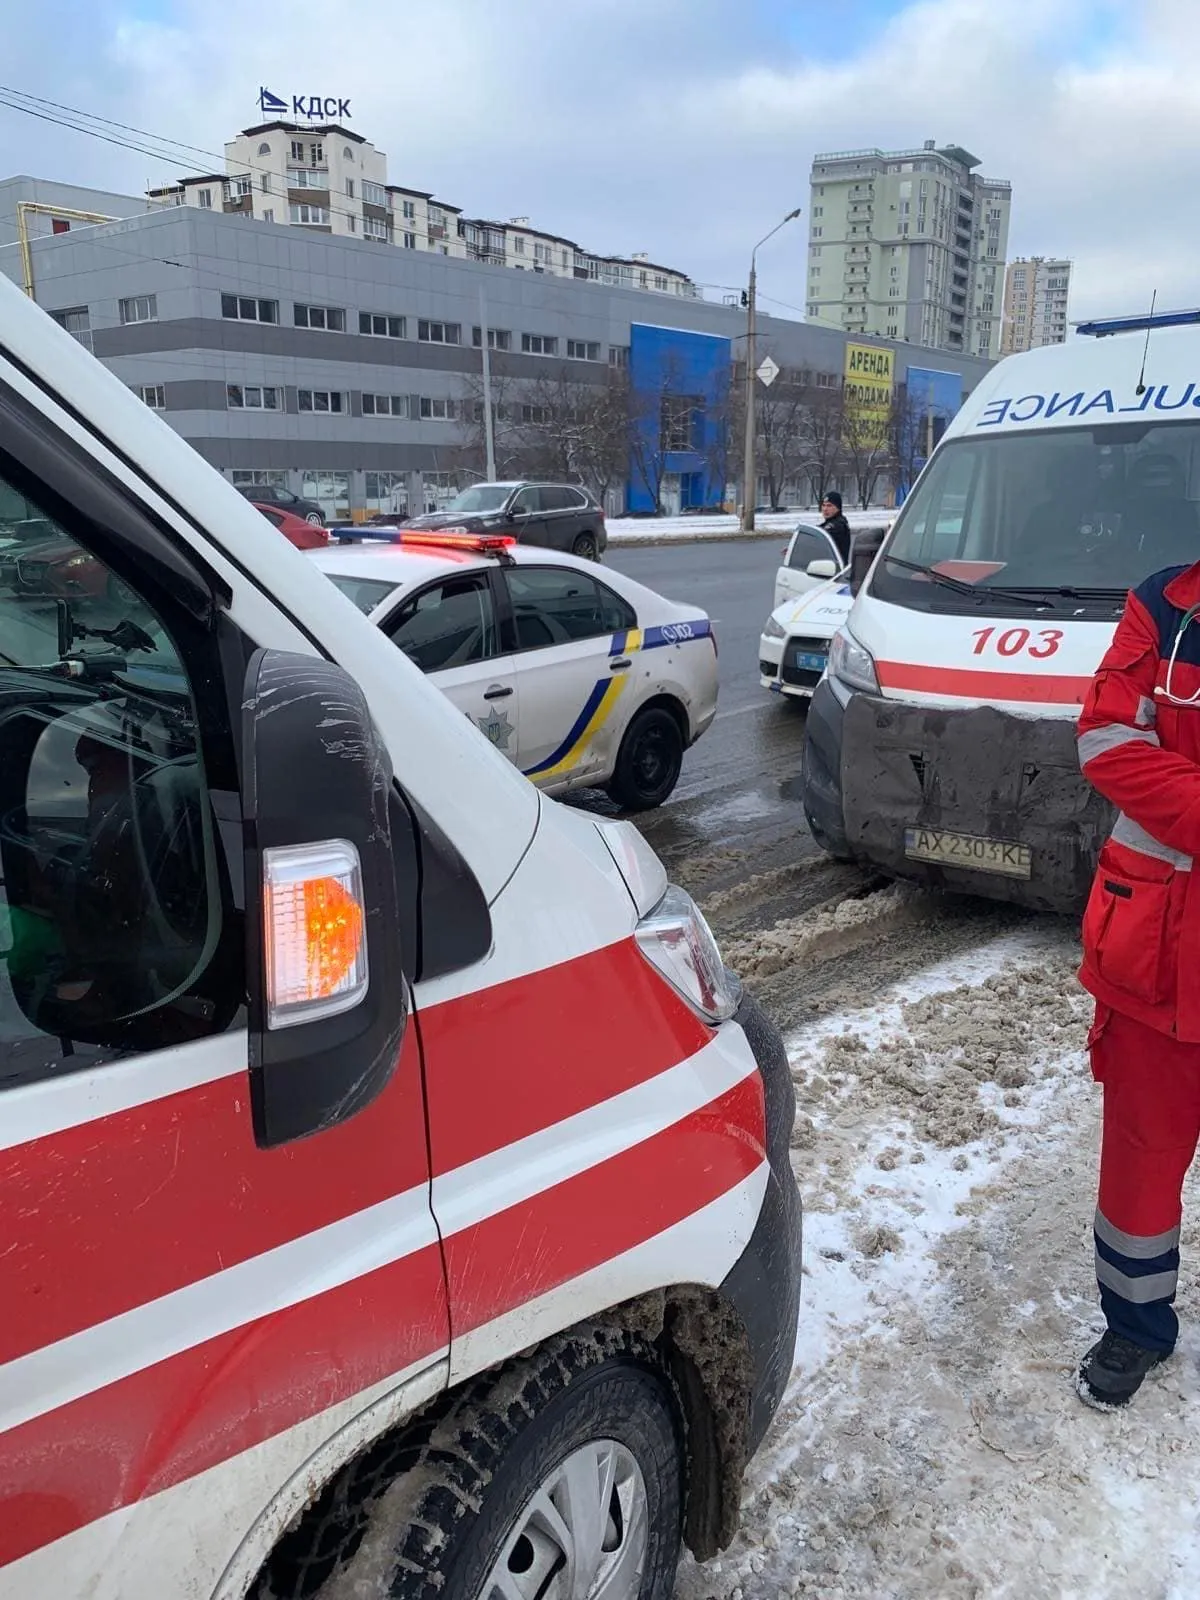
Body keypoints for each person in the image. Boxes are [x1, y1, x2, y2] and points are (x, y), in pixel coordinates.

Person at [1076, 556, 1200, 1407]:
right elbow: (1108, 740)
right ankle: (1135, 1326)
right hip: (1156, 953)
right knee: (1140, 1164)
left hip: (1155, 936)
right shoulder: (1162, 603)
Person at [820, 492, 852, 566]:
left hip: (835, 571)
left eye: (829, 506)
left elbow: (819, 537)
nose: (825, 509)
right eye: (823, 505)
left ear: (838, 508)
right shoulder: (830, 522)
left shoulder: (838, 525)